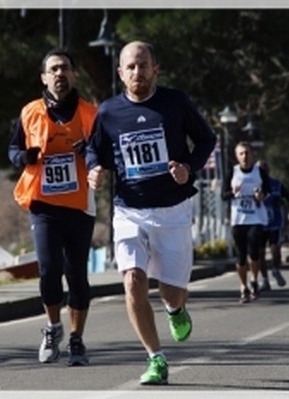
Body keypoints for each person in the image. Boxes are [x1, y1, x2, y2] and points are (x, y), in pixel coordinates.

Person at [85, 41, 216, 385]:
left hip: (173, 210)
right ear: (120, 73)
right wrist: (94, 169)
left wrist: (189, 167)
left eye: (143, 65)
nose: (137, 72)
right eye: (130, 66)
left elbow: (206, 140)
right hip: (129, 210)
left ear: (156, 69)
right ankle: (155, 358)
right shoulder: (109, 111)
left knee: (171, 292)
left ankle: (175, 309)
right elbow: (93, 150)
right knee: (133, 282)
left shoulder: (175, 102)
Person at [8, 49, 97, 366]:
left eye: (65, 69)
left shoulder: (90, 114)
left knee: (77, 275)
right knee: (48, 271)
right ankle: (53, 327)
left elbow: (106, 153)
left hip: (79, 204)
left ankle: (76, 339)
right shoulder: (30, 112)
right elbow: (13, 148)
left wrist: (90, 150)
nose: (60, 74)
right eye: (54, 69)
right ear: (44, 77)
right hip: (43, 204)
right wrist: (23, 158)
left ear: (74, 75)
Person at [221, 143, 270, 303]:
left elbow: (268, 190)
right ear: (237, 156)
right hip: (238, 219)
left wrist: (261, 195)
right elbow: (223, 195)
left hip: (255, 218)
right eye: (241, 153)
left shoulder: (259, 172)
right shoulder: (232, 172)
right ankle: (243, 286)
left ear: (252, 154)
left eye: (247, 153)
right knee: (241, 255)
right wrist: (233, 192)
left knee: (254, 251)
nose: (245, 156)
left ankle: (254, 280)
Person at [255, 160, 289, 291]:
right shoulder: (254, 185)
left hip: (274, 222)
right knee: (260, 253)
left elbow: (287, 198)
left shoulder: (276, 184)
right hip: (259, 224)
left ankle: (275, 269)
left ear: (268, 170)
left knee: (275, 250)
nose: (262, 172)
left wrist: (282, 200)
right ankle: (264, 280)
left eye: (264, 169)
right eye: (259, 170)